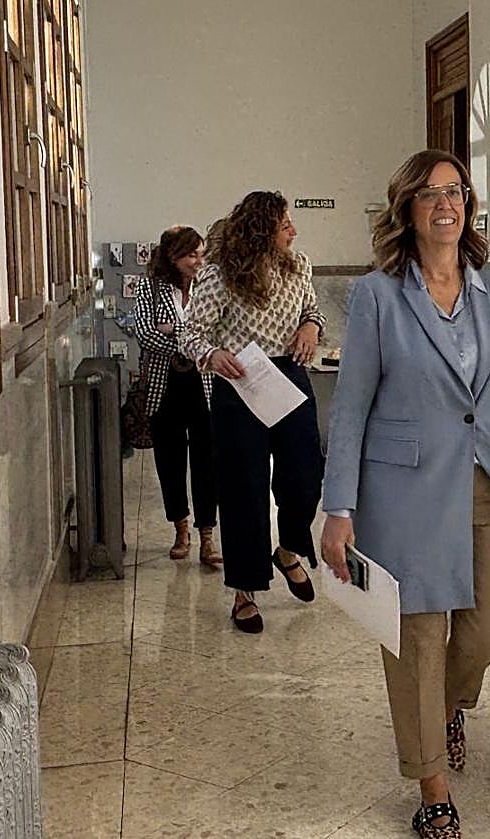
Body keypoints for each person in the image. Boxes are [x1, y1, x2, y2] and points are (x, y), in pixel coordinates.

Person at [319, 149, 490, 839]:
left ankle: (446, 706)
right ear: (407, 211)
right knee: (417, 640)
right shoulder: (376, 295)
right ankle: (432, 786)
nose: (445, 204)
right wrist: (339, 507)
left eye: (455, 192)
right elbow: (351, 406)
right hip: (404, 486)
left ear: (470, 206)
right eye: (428, 195)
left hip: (487, 475)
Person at [179, 191, 325, 634]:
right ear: (262, 230)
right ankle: (245, 590)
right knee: (244, 489)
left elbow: (313, 309)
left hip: (288, 375)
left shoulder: (298, 265)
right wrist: (212, 354)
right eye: (285, 225)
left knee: (305, 474)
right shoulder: (219, 274)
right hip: (239, 381)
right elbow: (190, 333)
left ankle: (288, 550)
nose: (293, 231)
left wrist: (310, 327)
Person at [132, 225, 221, 566]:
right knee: (169, 461)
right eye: (190, 255)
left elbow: (217, 330)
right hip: (164, 385)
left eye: (201, 254)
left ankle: (207, 536)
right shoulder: (149, 288)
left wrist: (175, 333)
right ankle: (180, 529)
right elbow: (145, 335)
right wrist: (191, 340)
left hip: (204, 384)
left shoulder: (209, 285)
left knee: (206, 462)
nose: (198, 262)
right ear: (172, 257)